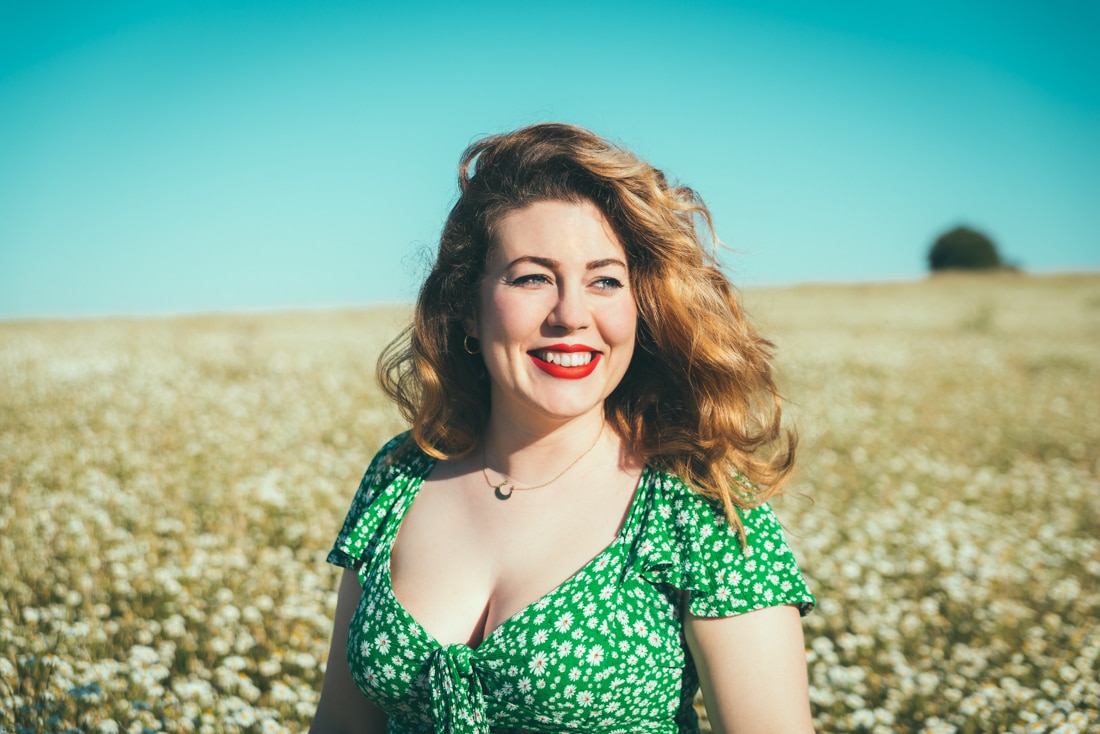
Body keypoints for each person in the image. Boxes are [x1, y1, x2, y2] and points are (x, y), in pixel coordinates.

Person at [310, 123, 816, 734]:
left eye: (605, 280)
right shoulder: (399, 475)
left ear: (640, 307)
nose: (572, 315)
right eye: (532, 277)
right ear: (467, 307)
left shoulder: (701, 504)